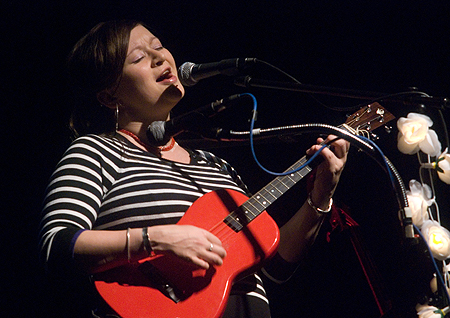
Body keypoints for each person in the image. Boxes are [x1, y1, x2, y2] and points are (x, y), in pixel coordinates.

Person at [38, 20, 349, 317]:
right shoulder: (98, 151)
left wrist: (321, 195)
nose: (159, 57)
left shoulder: (215, 165)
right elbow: (56, 245)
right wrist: (155, 239)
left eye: (158, 46)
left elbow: (275, 267)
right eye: (139, 57)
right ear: (109, 96)